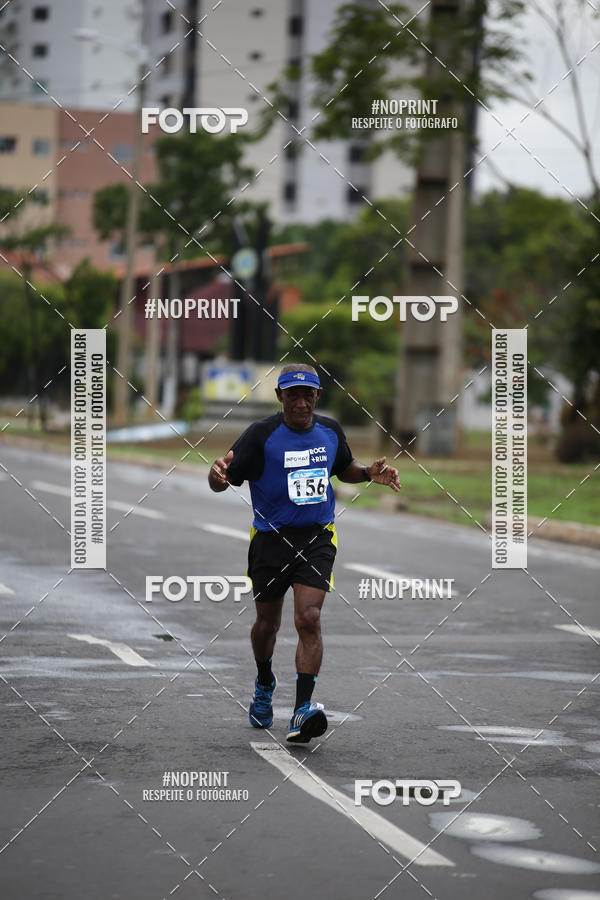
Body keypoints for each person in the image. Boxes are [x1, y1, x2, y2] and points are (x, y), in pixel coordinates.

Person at [208, 364, 400, 744]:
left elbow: (343, 467)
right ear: (280, 397)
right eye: (292, 394)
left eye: (307, 394)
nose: (300, 401)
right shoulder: (260, 435)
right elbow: (223, 477)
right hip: (270, 540)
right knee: (268, 625)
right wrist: (215, 478)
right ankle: (265, 681)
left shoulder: (330, 431)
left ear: (317, 396)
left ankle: (301, 711)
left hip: (317, 537)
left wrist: (367, 474)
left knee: (309, 618)